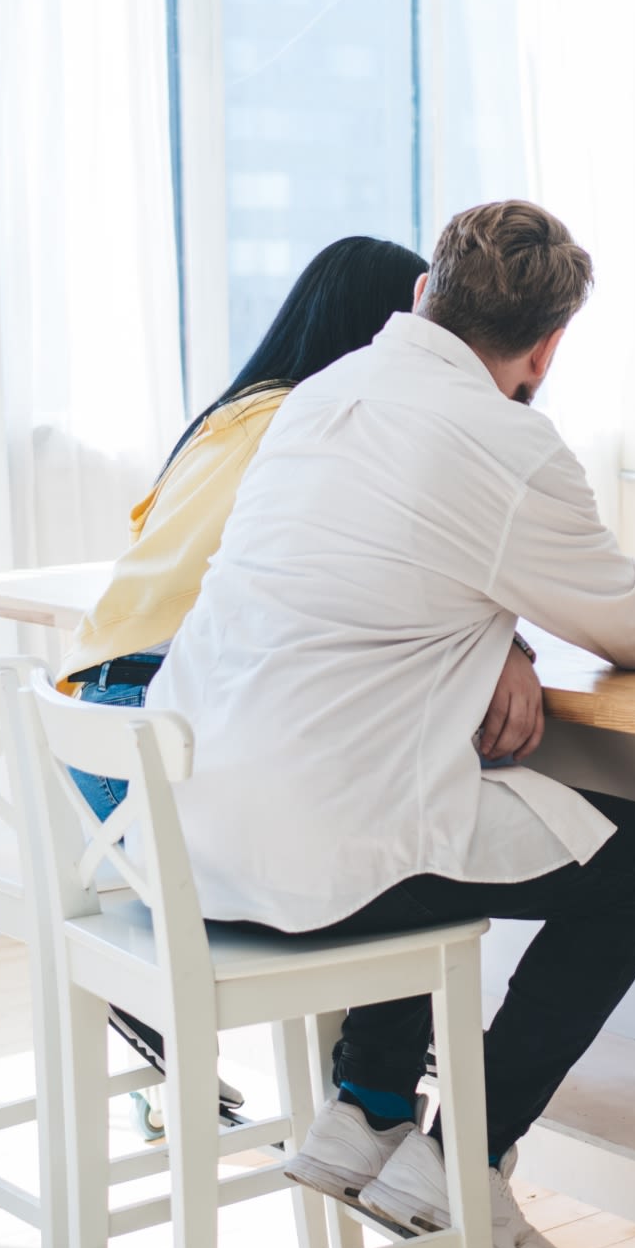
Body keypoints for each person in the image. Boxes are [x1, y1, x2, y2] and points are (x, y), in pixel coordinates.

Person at [146, 199, 635, 1248]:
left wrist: (490, 629)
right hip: (314, 857)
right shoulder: (509, 442)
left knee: (465, 799)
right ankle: (464, 1157)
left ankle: (363, 1118)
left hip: (194, 828)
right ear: (546, 348)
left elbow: (381, 575)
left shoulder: (316, 399)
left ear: (420, 297)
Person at [57, 235, 428, 1123]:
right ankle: (373, 1095)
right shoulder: (317, 425)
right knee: (396, 821)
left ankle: (173, 1011)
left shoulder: (231, 414)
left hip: (90, 740)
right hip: (157, 737)